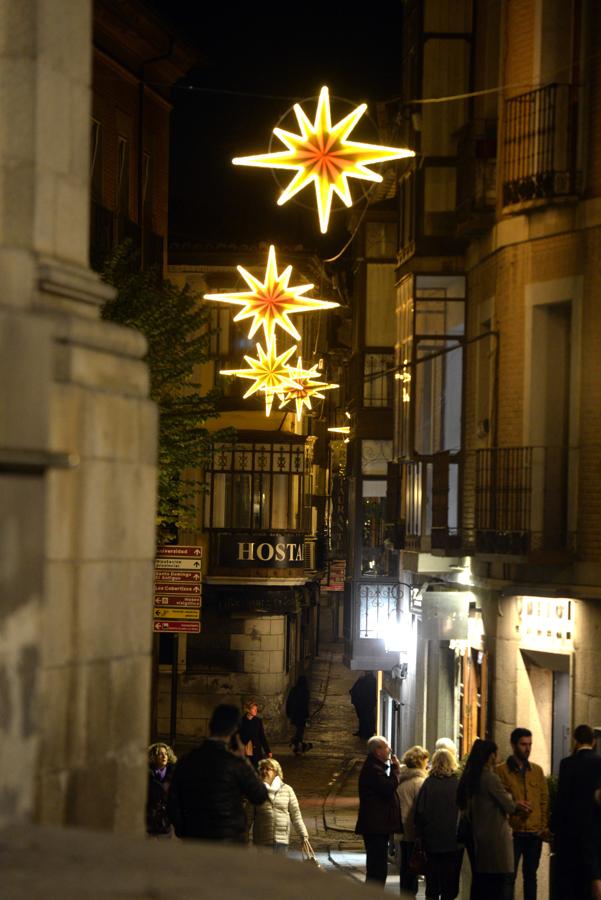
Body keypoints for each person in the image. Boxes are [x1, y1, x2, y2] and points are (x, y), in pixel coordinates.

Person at [167, 703, 268, 841]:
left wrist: (183, 830)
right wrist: (243, 759)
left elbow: (172, 800)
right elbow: (260, 795)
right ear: (234, 730)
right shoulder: (235, 763)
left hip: (194, 836)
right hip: (227, 839)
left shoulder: (187, 760)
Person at [457, 738, 531, 900]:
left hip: (478, 836)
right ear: (490, 756)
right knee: (496, 885)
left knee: (480, 882)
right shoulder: (490, 778)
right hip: (494, 837)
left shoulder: (471, 776)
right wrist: (514, 800)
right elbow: (509, 806)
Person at [496, 727, 549, 900]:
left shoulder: (537, 771)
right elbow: (498, 801)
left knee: (530, 877)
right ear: (513, 744)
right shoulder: (501, 771)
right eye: (523, 744)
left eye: (530, 744)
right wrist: (515, 804)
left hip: (534, 832)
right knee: (508, 877)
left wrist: (542, 827)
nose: (527, 748)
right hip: (513, 832)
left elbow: (543, 800)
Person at [552, 723, 601, 900]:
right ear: (593, 741)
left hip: (570, 832)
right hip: (595, 830)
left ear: (575, 741)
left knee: (571, 884)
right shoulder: (599, 763)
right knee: (593, 879)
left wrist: (554, 828)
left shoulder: (567, 764)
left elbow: (562, 799)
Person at [414, 748, 464, 900]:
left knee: (433, 883)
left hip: (432, 841)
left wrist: (420, 836)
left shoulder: (428, 784)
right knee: (450, 883)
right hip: (453, 842)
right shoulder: (457, 785)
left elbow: (419, 813)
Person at [355, 734, 403, 886]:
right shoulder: (373, 769)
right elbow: (388, 788)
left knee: (377, 868)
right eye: (387, 747)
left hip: (376, 825)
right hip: (375, 826)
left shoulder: (374, 767)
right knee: (377, 869)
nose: (390, 750)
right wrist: (396, 769)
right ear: (378, 751)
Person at [249, 757, 311, 855]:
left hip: (281, 840)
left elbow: (296, 815)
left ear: (276, 772)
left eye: (267, 769)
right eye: (262, 769)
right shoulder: (255, 791)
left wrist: (304, 835)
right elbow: (248, 817)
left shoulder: (287, 790)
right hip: (262, 840)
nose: (264, 771)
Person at [397, 745, 429, 896]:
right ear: (420, 762)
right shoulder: (419, 783)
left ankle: (405, 893)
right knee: (413, 866)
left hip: (402, 829)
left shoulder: (402, 781)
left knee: (405, 866)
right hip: (413, 831)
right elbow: (422, 809)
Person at [146, 742, 177, 837]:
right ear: (154, 756)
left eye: (166, 754)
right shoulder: (147, 773)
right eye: (160, 754)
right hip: (149, 818)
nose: (164, 756)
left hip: (167, 819)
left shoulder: (174, 774)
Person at [238, 700, 272, 769]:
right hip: (245, 749)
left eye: (256, 709)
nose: (256, 711)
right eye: (254, 709)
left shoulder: (258, 721)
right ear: (248, 710)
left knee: (257, 768)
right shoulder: (241, 721)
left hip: (256, 749)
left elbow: (262, 736)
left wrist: (267, 751)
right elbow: (238, 736)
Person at [286, 675, 313, 754]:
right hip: (301, 715)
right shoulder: (305, 691)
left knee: (299, 731)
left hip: (294, 714)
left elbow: (289, 701)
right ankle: (296, 744)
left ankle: (296, 746)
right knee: (300, 731)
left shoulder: (294, 690)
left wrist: (289, 712)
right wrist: (307, 715)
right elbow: (305, 705)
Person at [350, 672, 377, 739]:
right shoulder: (367, 679)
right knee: (363, 718)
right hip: (362, 702)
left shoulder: (370, 680)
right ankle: (363, 732)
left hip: (364, 703)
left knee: (366, 718)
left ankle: (366, 733)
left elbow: (366, 692)